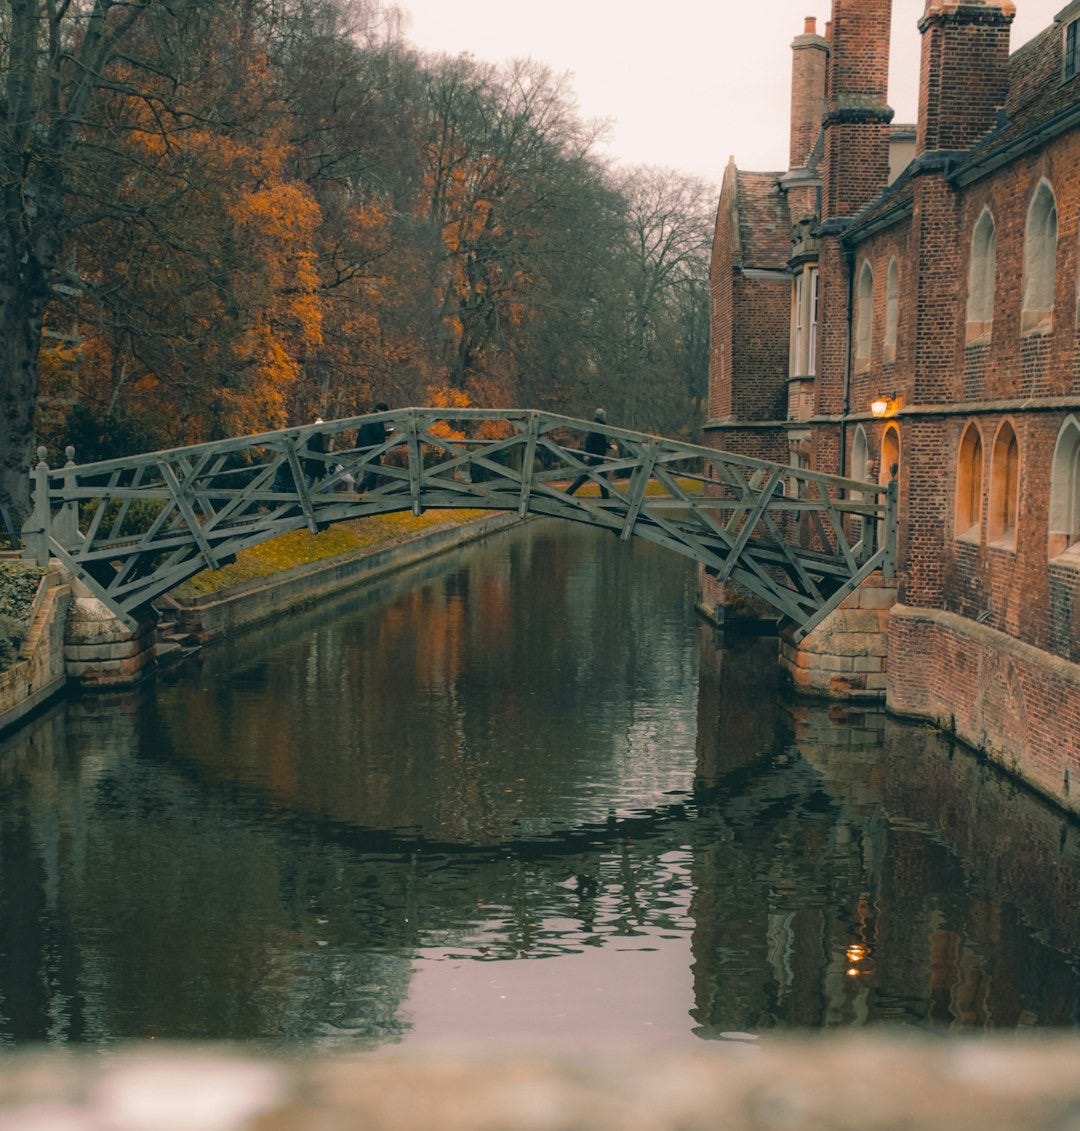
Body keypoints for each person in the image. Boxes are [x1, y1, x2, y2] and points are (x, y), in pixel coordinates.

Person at [566, 408, 612, 498]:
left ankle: (567, 494)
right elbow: (595, 442)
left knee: (588, 478)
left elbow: (597, 442)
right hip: (596, 458)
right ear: (601, 417)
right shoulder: (597, 427)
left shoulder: (597, 426)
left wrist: (608, 446)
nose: (605, 417)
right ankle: (607, 500)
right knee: (598, 479)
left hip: (595, 457)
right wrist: (588, 453)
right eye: (604, 416)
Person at [357, 402, 390, 491]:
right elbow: (377, 433)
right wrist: (388, 432)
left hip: (366, 447)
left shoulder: (371, 417)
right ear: (381, 410)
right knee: (375, 468)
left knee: (373, 468)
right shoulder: (376, 418)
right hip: (371, 448)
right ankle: (363, 487)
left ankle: (370, 489)